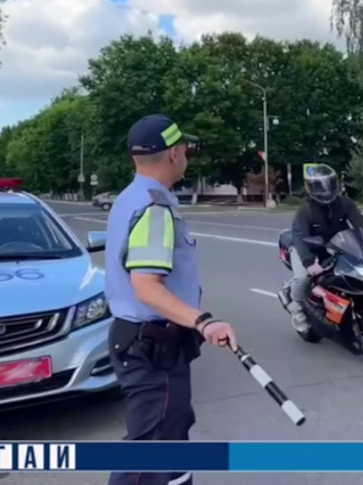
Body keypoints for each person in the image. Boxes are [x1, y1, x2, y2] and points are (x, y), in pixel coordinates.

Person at [104, 114, 238, 485]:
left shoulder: (130, 198)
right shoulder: (154, 207)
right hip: (153, 347)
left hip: (146, 341)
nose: (187, 156)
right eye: (185, 150)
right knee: (149, 454)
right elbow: (147, 287)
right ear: (174, 154)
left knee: (171, 441)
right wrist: (204, 321)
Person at [282, 163, 363, 333]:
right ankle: (297, 310)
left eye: (329, 184)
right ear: (310, 187)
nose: (325, 190)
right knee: (303, 277)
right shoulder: (305, 211)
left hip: (337, 246)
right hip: (308, 249)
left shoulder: (345, 204)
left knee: (355, 272)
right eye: (319, 186)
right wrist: (309, 262)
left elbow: (361, 224)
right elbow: (300, 238)